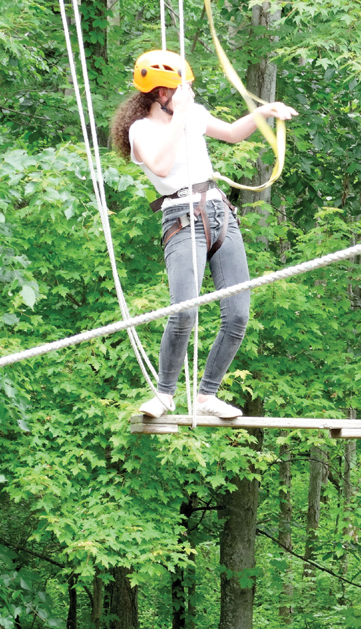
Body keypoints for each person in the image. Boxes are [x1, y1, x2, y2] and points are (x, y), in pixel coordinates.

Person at [110, 50, 297, 419]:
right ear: (162, 94)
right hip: (180, 216)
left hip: (218, 211)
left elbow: (230, 134)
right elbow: (161, 165)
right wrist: (180, 116)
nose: (189, 94)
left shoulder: (190, 114)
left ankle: (207, 394)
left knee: (238, 315)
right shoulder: (141, 130)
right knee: (184, 313)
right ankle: (165, 394)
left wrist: (264, 111)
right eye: (182, 89)